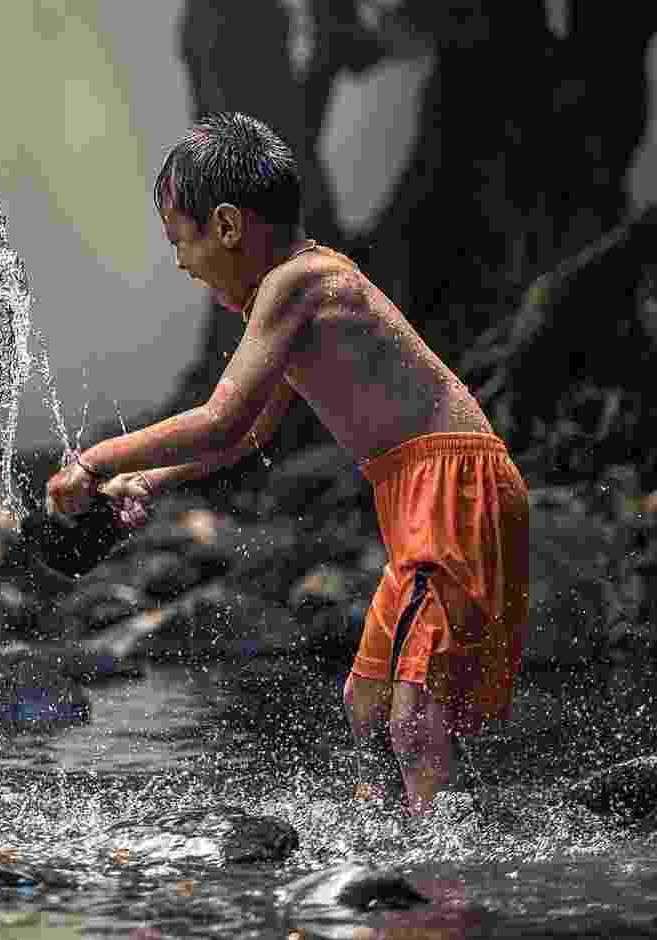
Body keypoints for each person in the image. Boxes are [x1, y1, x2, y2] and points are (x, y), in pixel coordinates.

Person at [41, 113, 529, 817]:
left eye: (182, 239)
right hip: (420, 490)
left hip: (451, 486)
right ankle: (388, 838)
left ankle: (442, 871)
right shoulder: (290, 296)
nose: (181, 261)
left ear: (230, 226)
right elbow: (245, 434)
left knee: (414, 708)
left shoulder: (301, 281)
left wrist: (92, 462)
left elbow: (221, 416)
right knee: (366, 700)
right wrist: (149, 477)